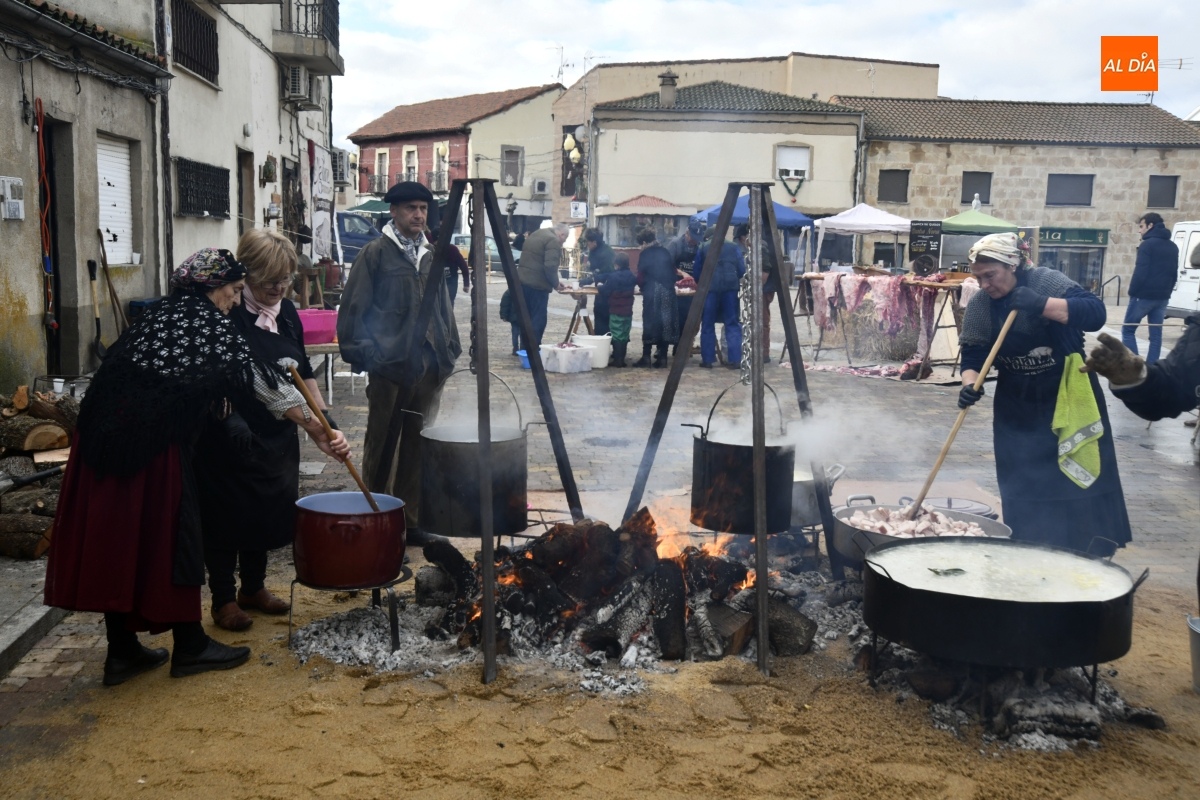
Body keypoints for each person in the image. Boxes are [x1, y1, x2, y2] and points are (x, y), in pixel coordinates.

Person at [45, 249, 346, 685]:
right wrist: (317, 430)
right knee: (175, 540)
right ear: (213, 287)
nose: (233, 300)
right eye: (234, 291)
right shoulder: (205, 323)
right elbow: (262, 383)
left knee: (123, 547)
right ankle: (190, 647)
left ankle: (122, 652)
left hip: (96, 453)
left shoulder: (159, 316)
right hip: (150, 455)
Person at [193, 230, 350, 632]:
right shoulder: (228, 311)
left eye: (284, 279)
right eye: (267, 281)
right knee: (227, 516)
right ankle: (223, 599)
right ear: (246, 276)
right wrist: (313, 426)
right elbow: (258, 384)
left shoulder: (289, 313)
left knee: (263, 510)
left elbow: (304, 373)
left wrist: (328, 424)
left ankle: (254, 589)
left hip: (279, 431)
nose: (277, 288)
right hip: (232, 428)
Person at [956, 232, 1131, 554]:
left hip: (1067, 393)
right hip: (1016, 403)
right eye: (977, 278)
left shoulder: (1045, 281)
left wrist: (1041, 304)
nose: (983, 285)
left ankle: (1086, 551)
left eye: (990, 276)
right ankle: (1030, 547)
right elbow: (973, 353)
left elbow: (1094, 313)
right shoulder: (982, 303)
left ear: (1013, 265)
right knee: (1022, 478)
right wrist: (970, 384)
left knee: (1073, 480)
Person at [337, 181, 461, 541]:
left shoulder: (431, 254)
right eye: (410, 208)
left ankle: (411, 521)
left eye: (423, 208)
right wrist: (370, 356)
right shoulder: (376, 253)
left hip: (430, 366)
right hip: (390, 368)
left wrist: (449, 351)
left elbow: (444, 308)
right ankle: (378, 522)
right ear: (393, 211)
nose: (418, 215)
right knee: (382, 449)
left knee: (418, 445)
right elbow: (353, 310)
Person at [1123, 212, 1179, 364]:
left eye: (1141, 227)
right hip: (1162, 298)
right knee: (1156, 336)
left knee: (1128, 330)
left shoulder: (1147, 245)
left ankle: (1136, 367)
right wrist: (1167, 292)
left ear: (1150, 225)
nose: (1139, 230)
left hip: (1143, 296)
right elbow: (1174, 273)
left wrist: (1132, 292)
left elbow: (1140, 271)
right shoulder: (1173, 246)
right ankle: (1152, 368)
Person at [693, 224, 748, 369]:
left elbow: (697, 272)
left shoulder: (703, 247)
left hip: (710, 289)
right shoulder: (733, 247)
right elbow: (742, 269)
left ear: (708, 237)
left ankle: (708, 360)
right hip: (730, 288)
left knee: (707, 323)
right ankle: (735, 359)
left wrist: (702, 284)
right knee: (732, 323)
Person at [516, 223, 569, 352]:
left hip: (522, 281)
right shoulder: (552, 240)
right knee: (538, 319)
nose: (563, 243)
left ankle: (524, 348)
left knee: (526, 317)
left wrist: (555, 282)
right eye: (564, 239)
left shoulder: (537, 233)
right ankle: (533, 350)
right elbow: (550, 266)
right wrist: (556, 284)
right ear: (561, 234)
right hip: (537, 286)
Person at [633, 228, 681, 368]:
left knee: (650, 322)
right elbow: (673, 271)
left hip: (652, 291)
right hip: (667, 290)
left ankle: (646, 356)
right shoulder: (665, 251)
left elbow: (640, 276)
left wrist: (641, 286)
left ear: (643, 242)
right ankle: (662, 358)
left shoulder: (645, 254)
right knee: (664, 323)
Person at [595, 252, 637, 366]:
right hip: (628, 311)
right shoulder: (632, 276)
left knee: (617, 334)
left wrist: (599, 286)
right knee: (624, 333)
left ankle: (618, 360)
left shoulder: (613, 277)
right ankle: (622, 358)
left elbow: (606, 290)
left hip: (616, 310)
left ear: (617, 264)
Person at [666, 222, 705, 339]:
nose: (694, 242)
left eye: (697, 239)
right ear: (686, 233)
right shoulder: (675, 245)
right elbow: (666, 265)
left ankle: (682, 346)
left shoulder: (700, 247)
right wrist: (681, 273)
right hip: (676, 288)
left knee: (688, 318)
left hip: (692, 289)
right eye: (693, 238)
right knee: (672, 318)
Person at [580, 228, 616, 335]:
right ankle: (599, 338)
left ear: (594, 242)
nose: (586, 244)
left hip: (609, 290)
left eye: (588, 242)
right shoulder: (593, 251)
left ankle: (606, 340)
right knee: (598, 314)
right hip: (599, 289)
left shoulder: (608, 253)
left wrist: (592, 279)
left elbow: (610, 273)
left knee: (606, 316)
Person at [428, 226, 470, 307]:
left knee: (449, 303)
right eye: (437, 241)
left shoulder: (452, 249)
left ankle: (448, 318)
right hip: (436, 281)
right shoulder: (431, 250)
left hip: (451, 280)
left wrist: (466, 284)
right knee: (436, 303)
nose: (439, 244)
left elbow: (463, 266)